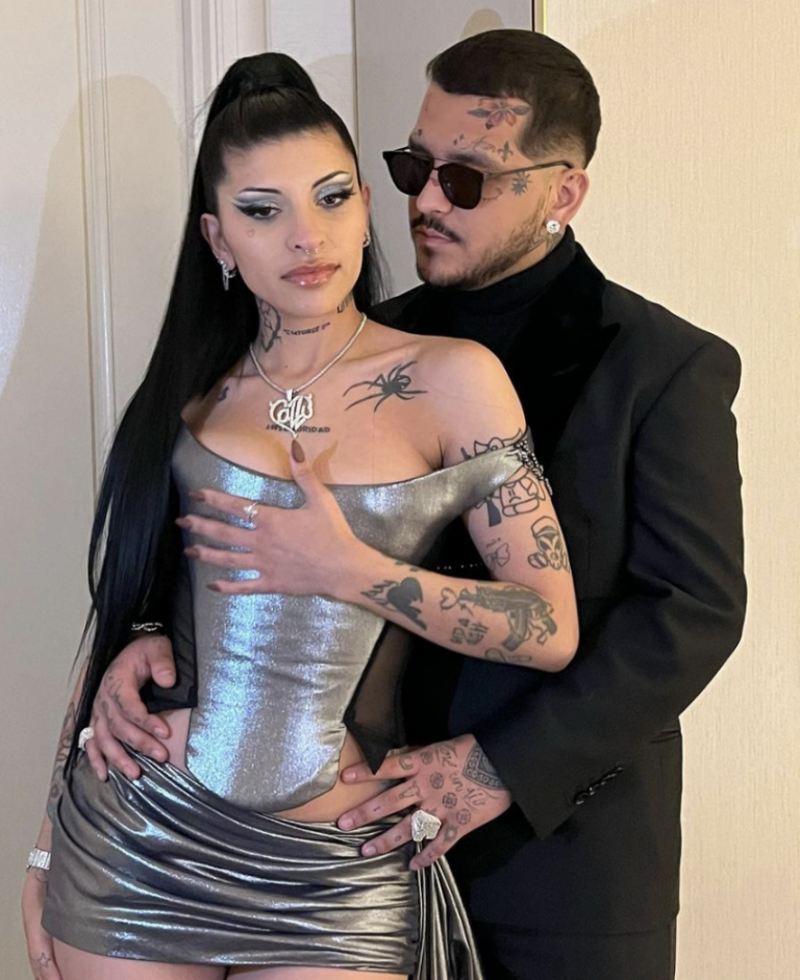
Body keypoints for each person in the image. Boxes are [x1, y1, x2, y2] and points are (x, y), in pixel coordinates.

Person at [44, 29, 746, 980]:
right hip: (316, 819)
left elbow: (691, 618)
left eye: (465, 179)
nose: (427, 200)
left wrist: (500, 765)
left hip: (555, 858)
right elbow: (186, 566)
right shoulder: (323, 338)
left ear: (563, 192)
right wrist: (142, 641)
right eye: (414, 167)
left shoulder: (661, 365)